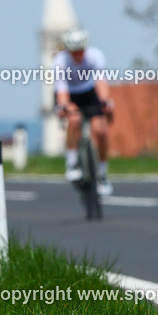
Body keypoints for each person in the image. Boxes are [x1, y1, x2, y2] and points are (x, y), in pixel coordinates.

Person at [52, 27, 115, 196]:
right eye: (74, 52)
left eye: (81, 51)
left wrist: (105, 101)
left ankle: (102, 174)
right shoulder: (60, 60)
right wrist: (65, 106)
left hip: (89, 92)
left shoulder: (95, 56)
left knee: (101, 131)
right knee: (74, 120)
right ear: (68, 50)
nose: (78, 55)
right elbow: (61, 88)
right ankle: (72, 163)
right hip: (69, 94)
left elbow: (101, 80)